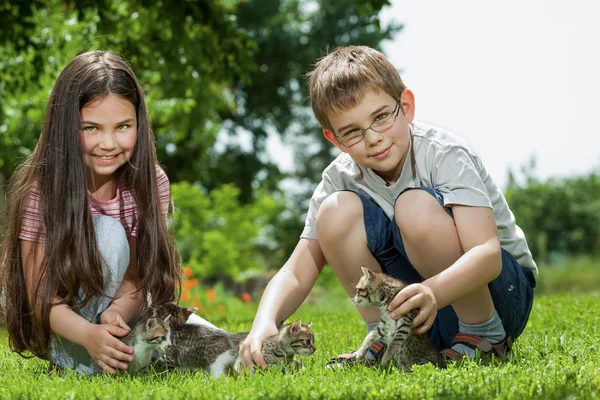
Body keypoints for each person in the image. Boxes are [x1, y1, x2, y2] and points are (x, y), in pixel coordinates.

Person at [240, 45, 537, 369]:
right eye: (352, 132)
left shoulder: (443, 153)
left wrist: (434, 292)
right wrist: (264, 321)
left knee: (413, 205)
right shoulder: (339, 177)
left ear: (406, 106)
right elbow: (296, 272)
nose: (373, 138)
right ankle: (383, 339)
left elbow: (487, 253)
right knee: (334, 211)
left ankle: (484, 337)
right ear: (335, 140)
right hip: (420, 308)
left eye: (381, 117)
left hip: (498, 295)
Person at [0, 50, 214, 375]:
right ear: (65, 126)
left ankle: (116, 349)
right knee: (109, 235)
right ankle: (83, 355)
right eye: (91, 128)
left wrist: (117, 310)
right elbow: (40, 295)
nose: (109, 143)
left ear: (139, 123)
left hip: (123, 311)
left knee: (215, 342)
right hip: (63, 322)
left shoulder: (151, 182)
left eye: (123, 126)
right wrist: (87, 333)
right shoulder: (42, 190)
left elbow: (138, 274)